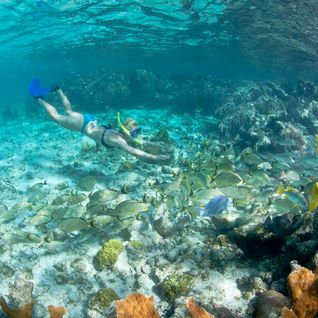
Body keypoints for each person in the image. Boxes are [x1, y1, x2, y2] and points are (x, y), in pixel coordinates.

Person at [28, 79, 172, 165]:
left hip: (91, 120)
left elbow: (141, 143)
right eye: (134, 133)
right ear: (126, 131)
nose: (135, 136)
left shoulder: (121, 134)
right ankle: (38, 98)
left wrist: (160, 147)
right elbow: (135, 152)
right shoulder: (119, 140)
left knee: (70, 111)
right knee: (57, 118)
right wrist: (156, 157)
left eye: (135, 133)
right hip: (83, 125)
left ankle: (59, 90)